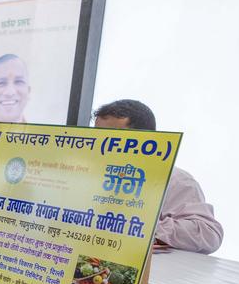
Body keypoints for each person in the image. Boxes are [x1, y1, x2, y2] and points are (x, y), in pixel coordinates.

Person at [92, 99, 223, 255]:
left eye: (112, 137)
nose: (101, 143)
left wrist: (139, 227)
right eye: (96, 135)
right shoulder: (86, 173)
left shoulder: (176, 179)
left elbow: (208, 234)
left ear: (145, 140)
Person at [0, 54, 30, 123]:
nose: (10, 92)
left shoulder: (42, 133)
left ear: (28, 92)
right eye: (1, 83)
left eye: (18, 82)